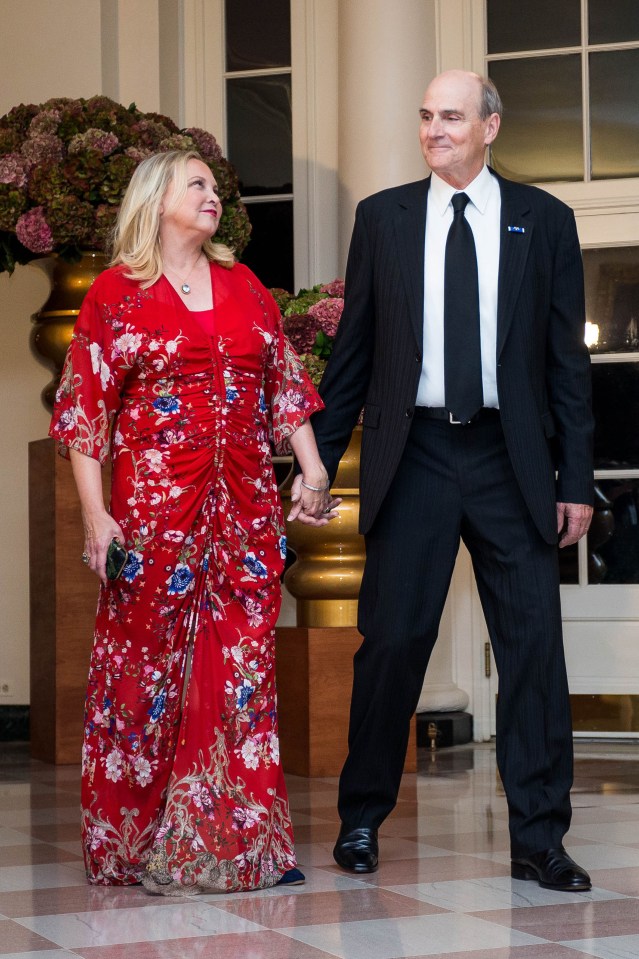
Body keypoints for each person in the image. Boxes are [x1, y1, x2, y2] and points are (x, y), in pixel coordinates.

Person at [311, 70, 594, 892]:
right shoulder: (383, 218)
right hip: (419, 455)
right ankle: (361, 816)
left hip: (512, 460)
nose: (434, 130)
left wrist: (572, 476)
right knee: (392, 642)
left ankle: (540, 837)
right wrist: (316, 462)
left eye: (451, 117)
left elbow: (565, 364)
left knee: (533, 649)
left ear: (490, 125)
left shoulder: (542, 221)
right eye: (426, 116)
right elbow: (353, 352)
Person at [49, 149, 339, 894]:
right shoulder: (114, 294)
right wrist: (96, 519)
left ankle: (236, 845)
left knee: (241, 673)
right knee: (145, 673)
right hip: (152, 512)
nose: (215, 195)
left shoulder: (245, 287)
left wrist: (311, 468)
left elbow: (283, 387)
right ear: (156, 199)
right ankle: (136, 843)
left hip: (242, 508)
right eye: (198, 184)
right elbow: (86, 417)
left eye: (216, 186)